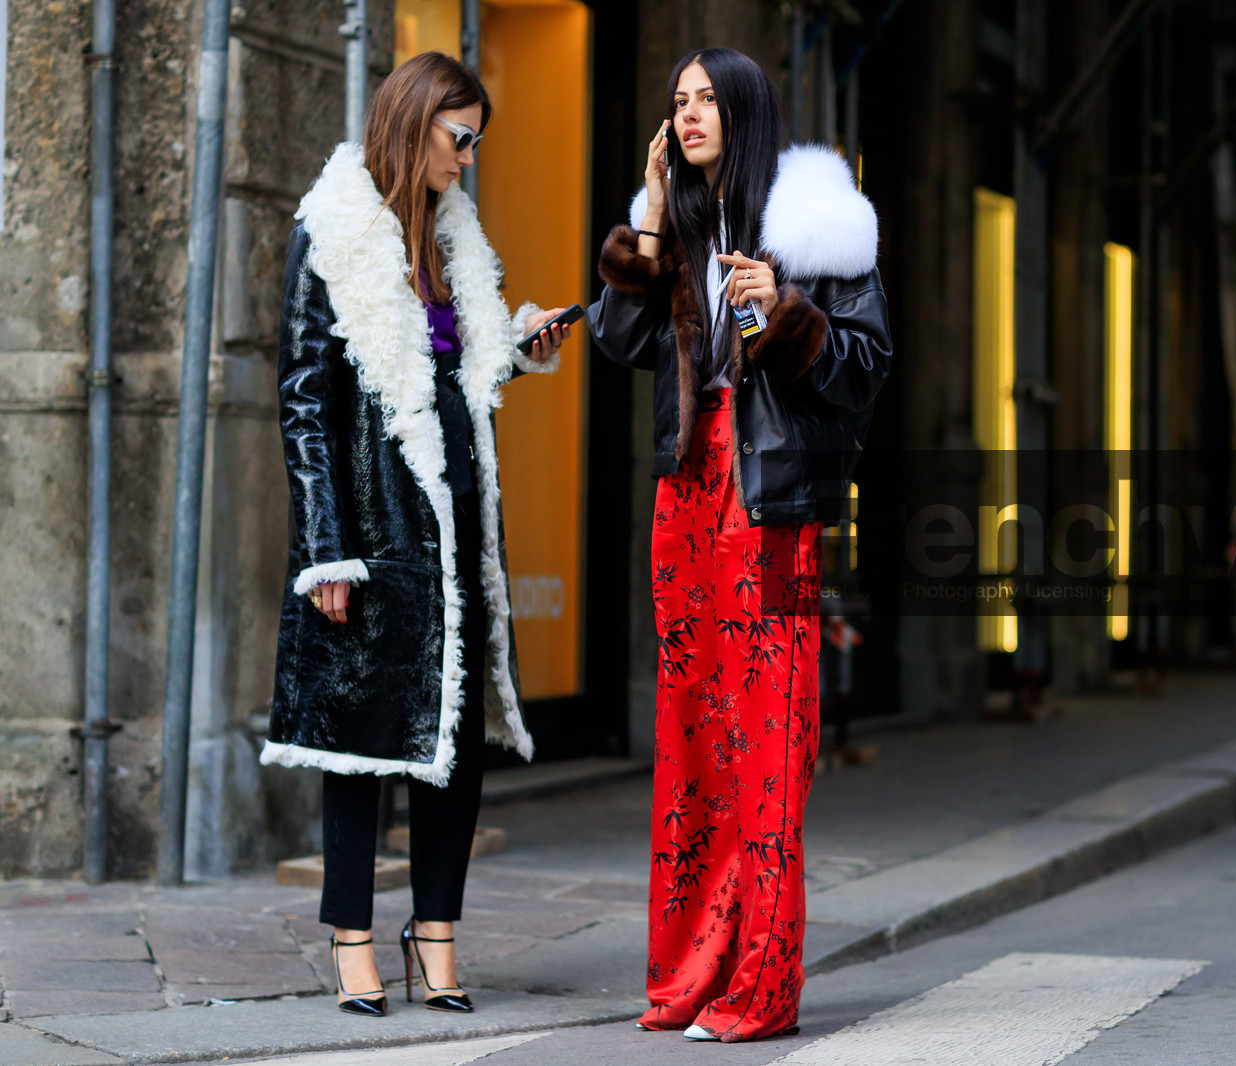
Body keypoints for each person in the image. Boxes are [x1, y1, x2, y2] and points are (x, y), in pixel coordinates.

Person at [587, 47, 892, 1042]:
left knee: (765, 752)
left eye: (708, 99)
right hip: (685, 503)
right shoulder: (676, 222)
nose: (689, 115)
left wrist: (786, 313)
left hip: (767, 512)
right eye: (677, 102)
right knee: (692, 752)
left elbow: (864, 369)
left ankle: (759, 987)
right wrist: (644, 220)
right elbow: (617, 341)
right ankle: (688, 974)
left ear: (747, 110)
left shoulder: (814, 223)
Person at [261, 50, 570, 1017]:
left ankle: (434, 929)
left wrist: (518, 350)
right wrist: (324, 548)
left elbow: (460, 378)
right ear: (415, 122)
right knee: (363, 738)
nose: (470, 159)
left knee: (454, 738)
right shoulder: (335, 232)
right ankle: (353, 934)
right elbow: (304, 400)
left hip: (453, 517)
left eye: (477, 141)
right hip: (367, 517)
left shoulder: (456, 241)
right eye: (460, 138)